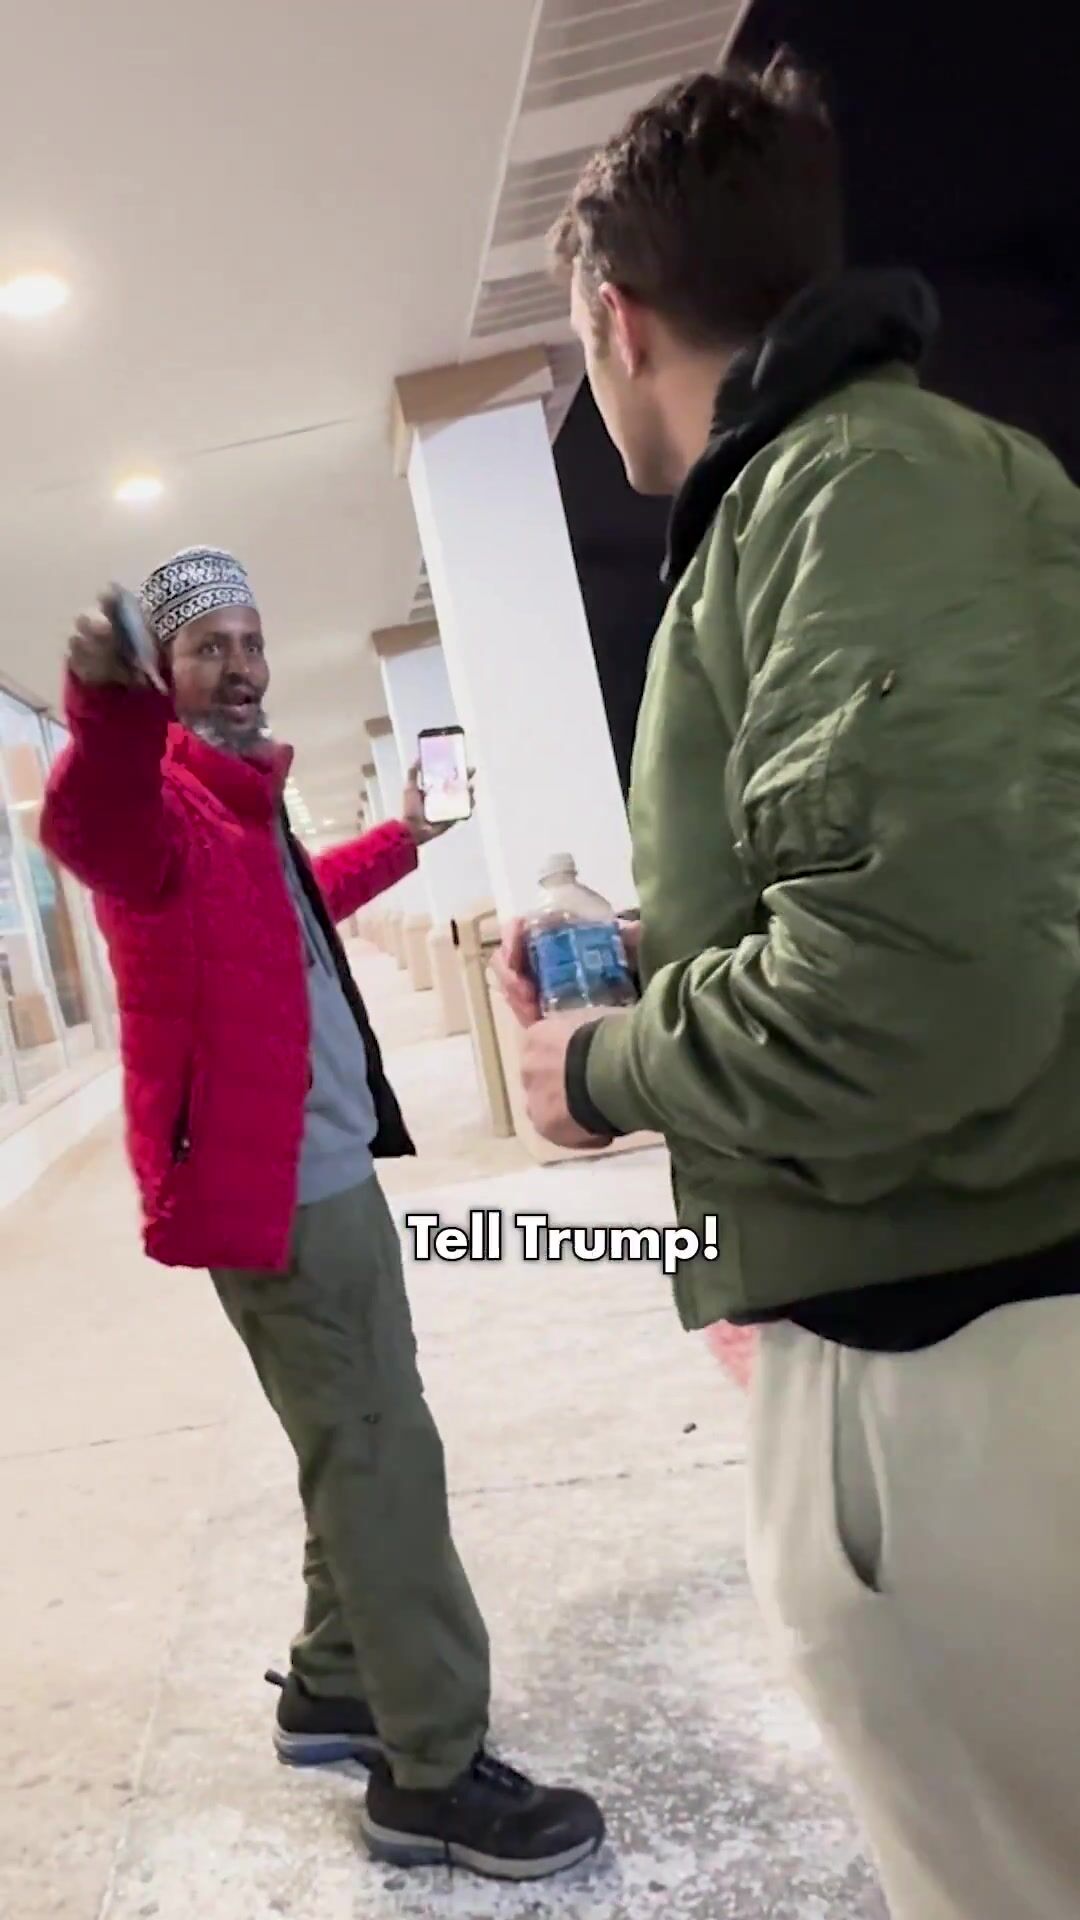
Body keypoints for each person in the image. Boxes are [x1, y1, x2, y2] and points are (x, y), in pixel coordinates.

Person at [494, 59, 1080, 1920]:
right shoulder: (876, 488)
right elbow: (935, 887)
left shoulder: (853, 490)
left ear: (616, 317)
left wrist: (605, 1064)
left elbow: (914, 991)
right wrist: (668, 948)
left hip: (960, 1371)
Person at [41, 547, 603, 1883]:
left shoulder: (240, 806)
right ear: (164, 674)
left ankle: (336, 1681)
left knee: (348, 1439)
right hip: (279, 1190)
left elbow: (305, 903)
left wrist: (407, 840)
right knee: (382, 1455)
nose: (241, 667)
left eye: (251, 639)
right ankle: (431, 1775)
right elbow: (87, 823)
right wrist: (105, 702)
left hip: (322, 1171)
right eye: (208, 648)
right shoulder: (160, 803)